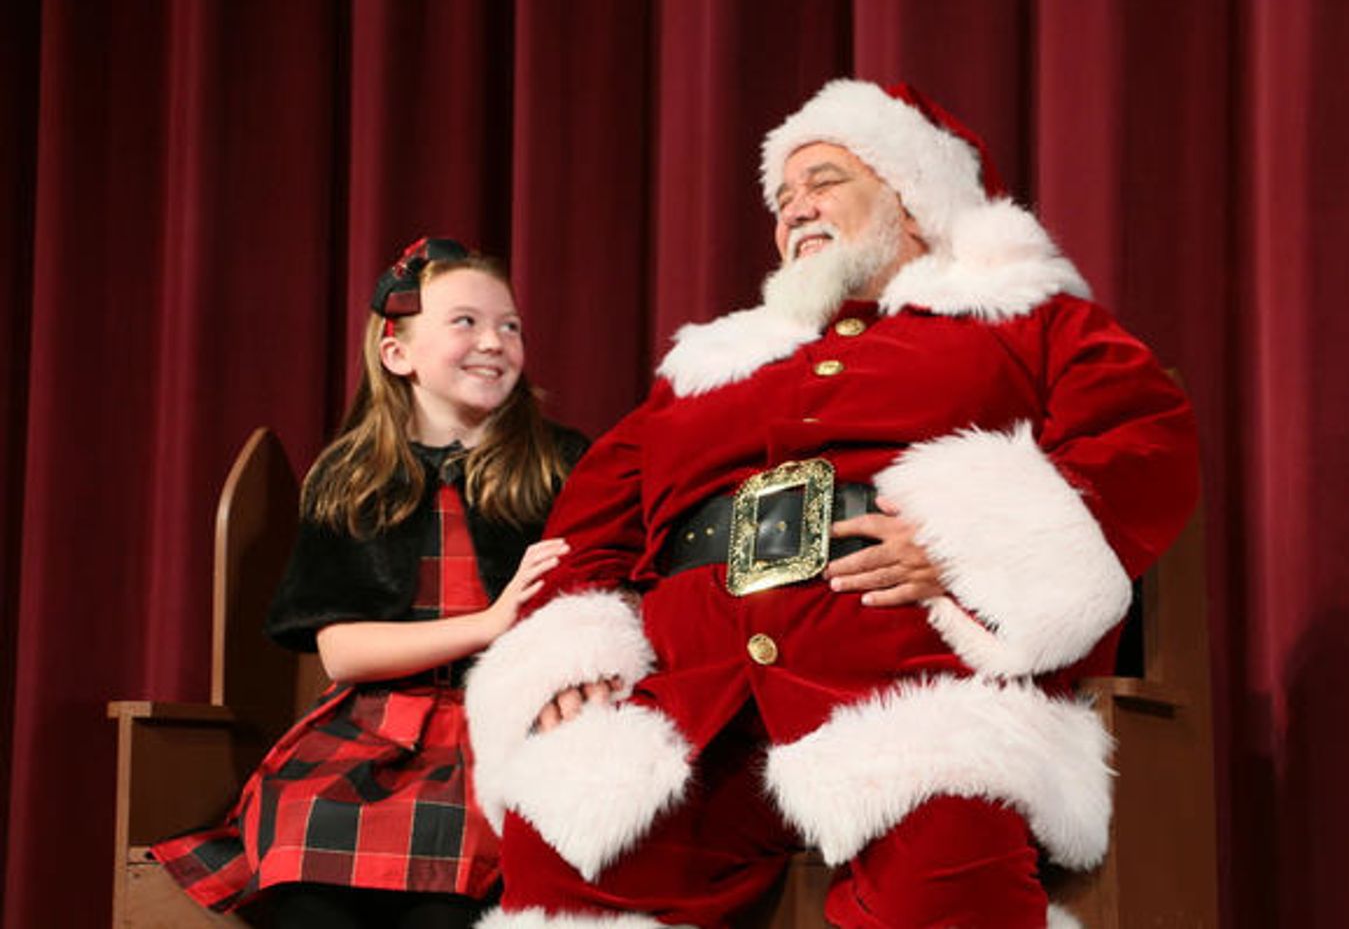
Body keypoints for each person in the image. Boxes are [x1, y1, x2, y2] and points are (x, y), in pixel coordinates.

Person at [465, 80, 1200, 928]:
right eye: (780, 198)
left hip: (911, 683)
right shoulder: (708, 367)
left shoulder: (1019, 318)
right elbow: (588, 525)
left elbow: (1142, 438)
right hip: (703, 700)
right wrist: (571, 655)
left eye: (822, 179)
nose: (793, 209)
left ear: (911, 197)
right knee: (564, 833)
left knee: (944, 853)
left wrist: (981, 553)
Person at [151, 238, 588, 928]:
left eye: (510, 325)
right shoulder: (353, 476)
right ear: (398, 353)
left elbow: (609, 599)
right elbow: (342, 652)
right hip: (372, 727)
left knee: (448, 896)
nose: (495, 340)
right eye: (465, 322)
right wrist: (489, 620)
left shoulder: (561, 464)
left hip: (500, 727)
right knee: (306, 875)